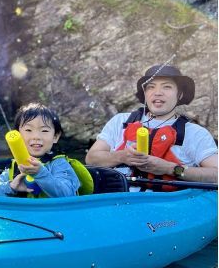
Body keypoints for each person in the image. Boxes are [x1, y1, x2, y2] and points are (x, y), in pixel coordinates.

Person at [85, 64, 218, 184]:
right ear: (145, 93)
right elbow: (91, 159)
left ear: (180, 94)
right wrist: (122, 156)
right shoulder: (120, 121)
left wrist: (170, 168)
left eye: (167, 87)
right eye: (151, 87)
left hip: (168, 206)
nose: (158, 92)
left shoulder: (196, 133)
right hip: (117, 201)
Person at [0, 103, 80, 197]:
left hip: (51, 211)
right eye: (28, 130)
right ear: (18, 135)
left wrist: (40, 173)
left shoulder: (59, 164)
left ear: (55, 137)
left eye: (44, 131)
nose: (36, 137)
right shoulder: (17, 165)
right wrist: (11, 186)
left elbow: (67, 194)